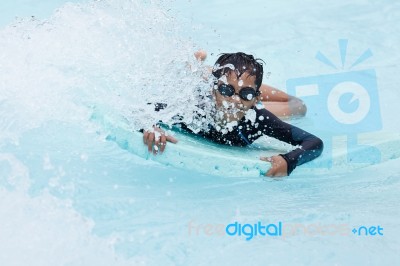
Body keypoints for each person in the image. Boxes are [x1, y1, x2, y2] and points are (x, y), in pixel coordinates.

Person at [142, 52, 323, 177]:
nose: (235, 100)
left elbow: (314, 143)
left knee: (298, 106)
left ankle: (231, 81)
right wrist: (151, 127)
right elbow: (143, 108)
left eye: (246, 94)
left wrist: (289, 160)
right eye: (227, 90)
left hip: (247, 103)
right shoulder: (194, 109)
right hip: (208, 90)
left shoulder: (258, 119)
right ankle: (200, 68)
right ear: (214, 91)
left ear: (255, 100)